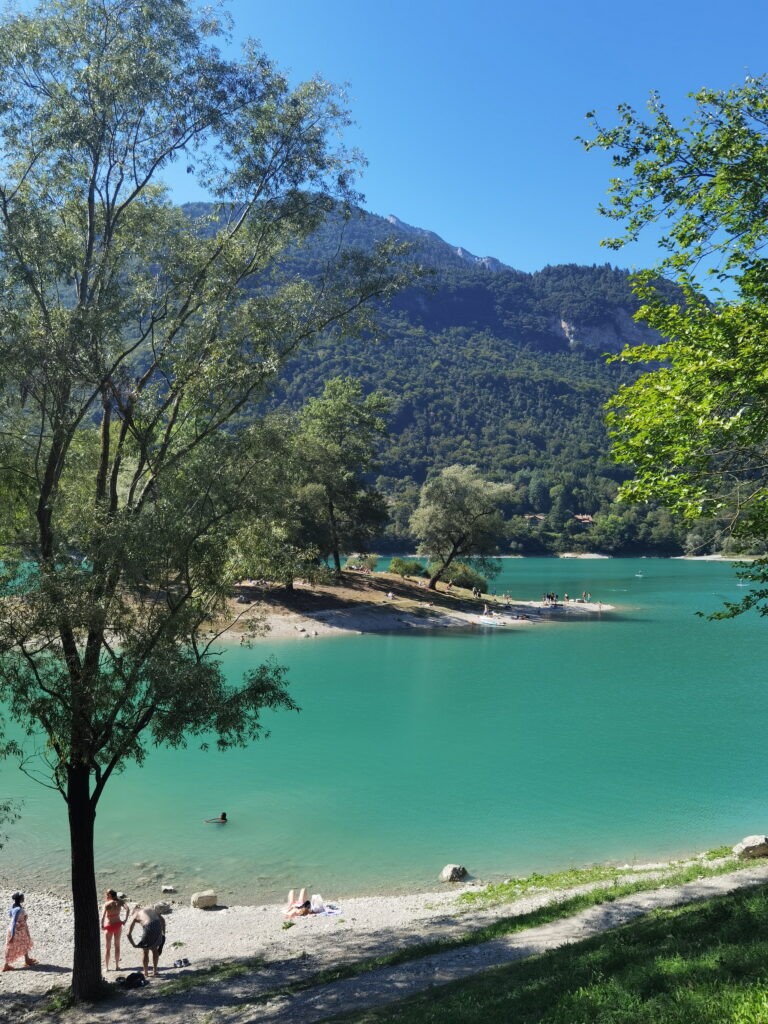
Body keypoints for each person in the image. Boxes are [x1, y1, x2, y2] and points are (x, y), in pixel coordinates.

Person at [126, 905, 165, 978]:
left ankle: (146, 972)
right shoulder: (150, 909)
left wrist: (133, 945)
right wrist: (163, 932)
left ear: (134, 911)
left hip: (149, 927)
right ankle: (155, 971)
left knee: (145, 951)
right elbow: (162, 920)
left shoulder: (135, 914)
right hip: (158, 925)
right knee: (154, 949)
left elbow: (128, 934)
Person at [3, 892, 36, 971]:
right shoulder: (18, 909)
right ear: (20, 899)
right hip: (17, 930)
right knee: (11, 946)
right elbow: (14, 921)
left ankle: (27, 959)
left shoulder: (13, 907)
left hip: (20, 929)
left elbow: (10, 915)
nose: (24, 899)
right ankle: (5, 965)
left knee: (24, 942)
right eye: (23, 898)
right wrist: (12, 935)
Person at [100, 888, 127, 972]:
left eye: (107, 894)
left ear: (110, 895)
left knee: (107, 948)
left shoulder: (107, 904)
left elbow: (103, 916)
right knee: (117, 946)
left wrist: (102, 925)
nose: (106, 896)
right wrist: (125, 919)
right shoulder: (119, 902)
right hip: (118, 925)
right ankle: (117, 966)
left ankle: (107, 967)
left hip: (109, 926)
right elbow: (128, 909)